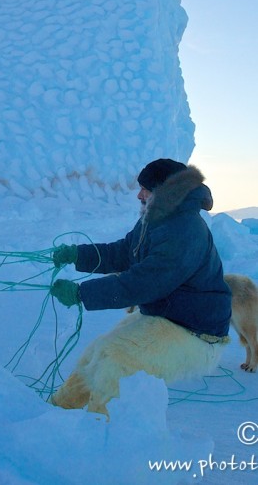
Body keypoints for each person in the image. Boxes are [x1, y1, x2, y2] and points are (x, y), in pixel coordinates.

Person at [49, 158, 231, 417]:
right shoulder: (156, 218)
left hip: (196, 332)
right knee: (96, 354)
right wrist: (77, 255)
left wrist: (81, 294)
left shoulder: (185, 229)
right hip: (168, 316)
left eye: (146, 189)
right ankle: (59, 411)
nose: (139, 194)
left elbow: (144, 283)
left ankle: (101, 432)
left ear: (166, 192)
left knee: (116, 361)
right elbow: (124, 253)